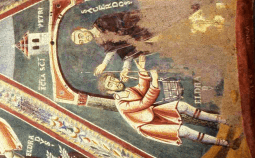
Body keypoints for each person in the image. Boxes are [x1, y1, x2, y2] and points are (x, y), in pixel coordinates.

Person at [98, 56, 231, 148]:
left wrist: (142, 71)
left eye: (113, 79)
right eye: (110, 84)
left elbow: (142, 88)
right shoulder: (121, 104)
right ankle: (222, 142)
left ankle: (221, 119)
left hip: (153, 113)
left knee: (182, 106)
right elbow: (143, 103)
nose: (115, 82)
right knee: (184, 131)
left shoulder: (128, 90)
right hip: (147, 126)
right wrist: (155, 81)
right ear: (109, 91)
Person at [71, 10, 156, 81]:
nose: (84, 39)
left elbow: (123, 27)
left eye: (80, 36)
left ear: (83, 29)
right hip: (145, 40)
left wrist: (104, 64)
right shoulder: (101, 42)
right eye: (81, 41)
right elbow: (124, 51)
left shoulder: (101, 22)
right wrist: (125, 69)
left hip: (145, 25)